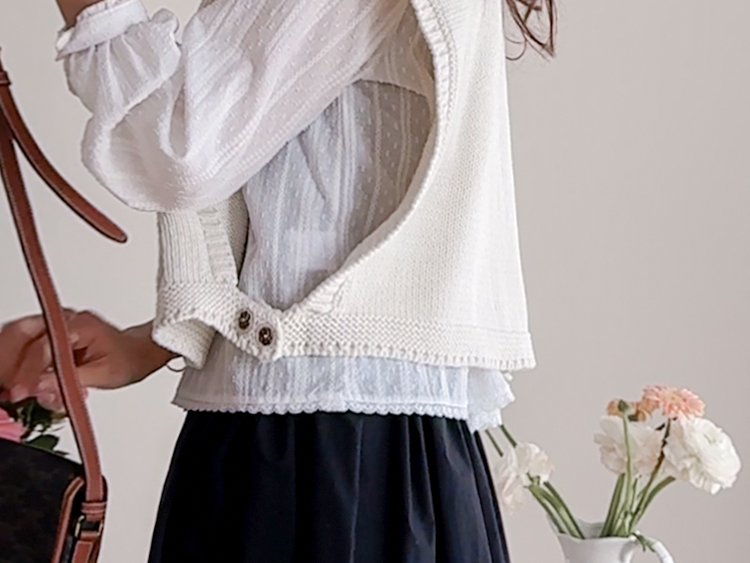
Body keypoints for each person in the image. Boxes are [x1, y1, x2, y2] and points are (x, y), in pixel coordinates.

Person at [0, 0, 555, 560]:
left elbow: (179, 149)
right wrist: (154, 340)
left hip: (318, 457)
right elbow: (309, 206)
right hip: (366, 453)